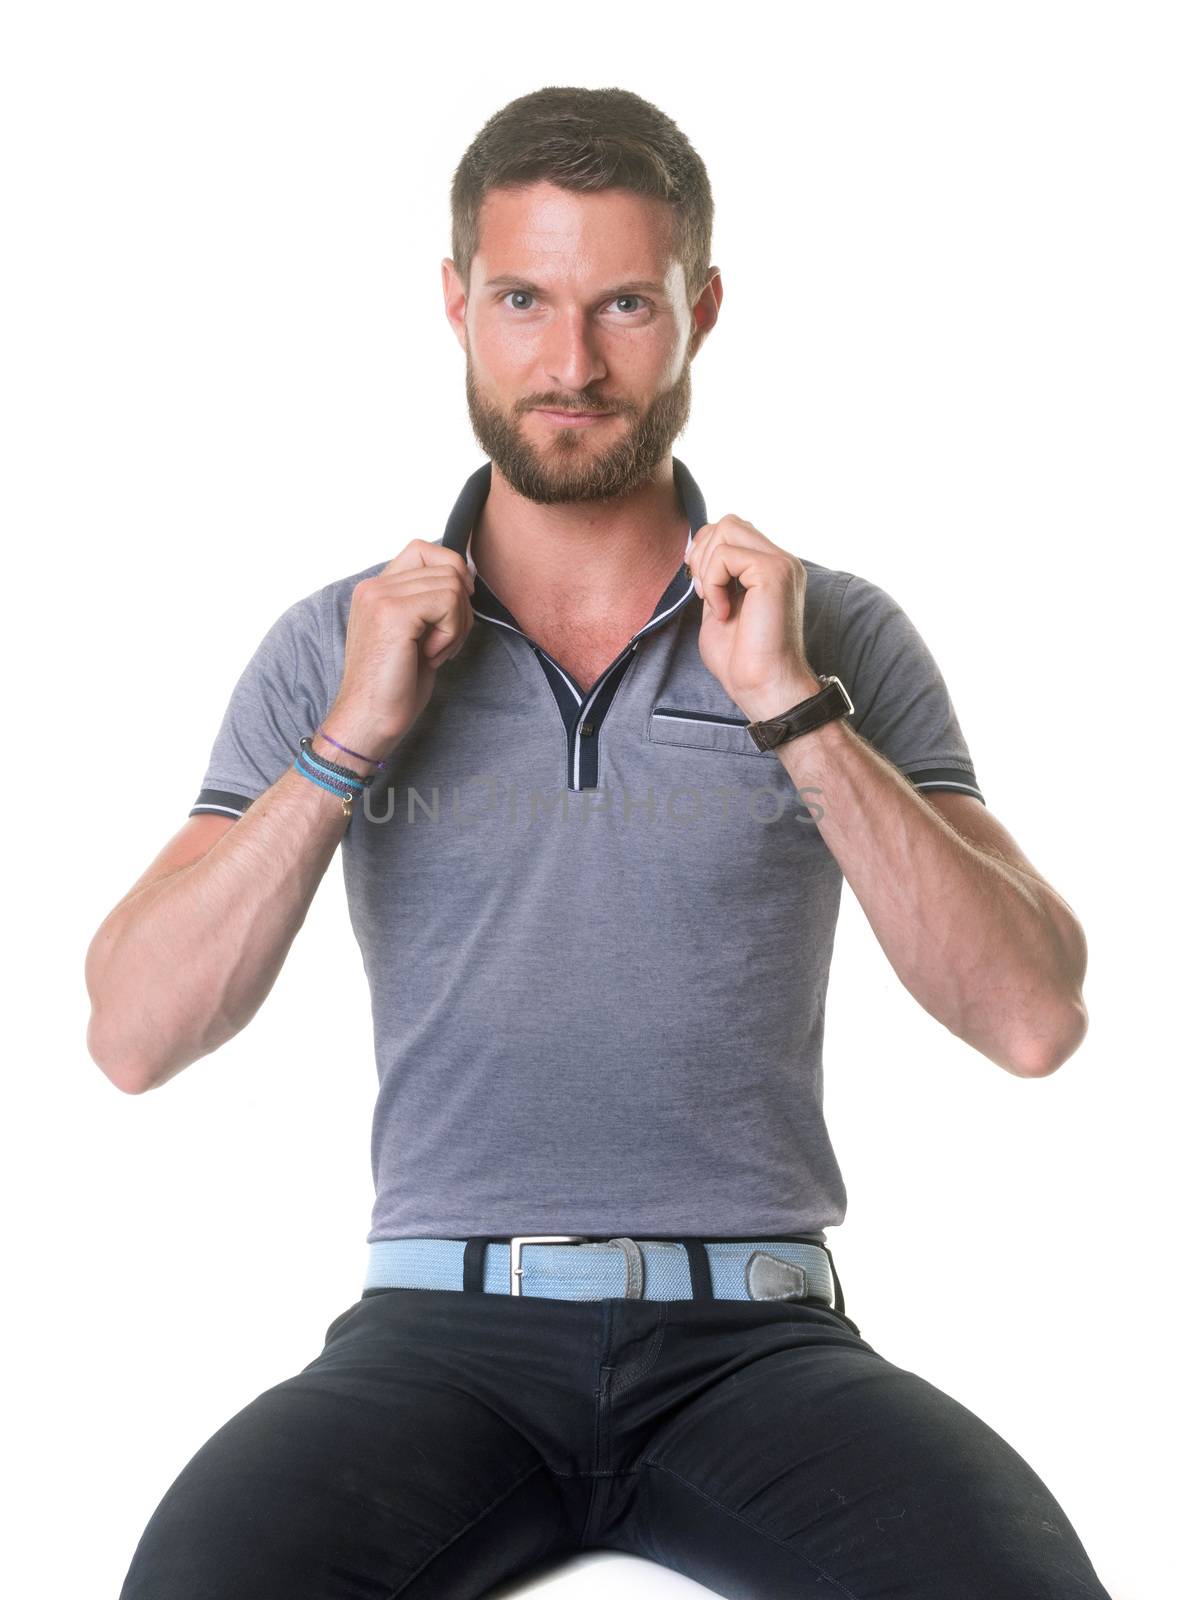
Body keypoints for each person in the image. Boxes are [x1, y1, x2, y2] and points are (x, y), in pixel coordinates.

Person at [89, 85, 1112, 1600]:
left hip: (759, 1347)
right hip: (440, 1338)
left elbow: (1032, 1017)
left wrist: (794, 712)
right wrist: (348, 739)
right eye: (524, 300)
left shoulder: (831, 634)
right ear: (456, 306)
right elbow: (130, 1031)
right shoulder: (335, 646)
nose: (570, 363)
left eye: (626, 304)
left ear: (700, 311)